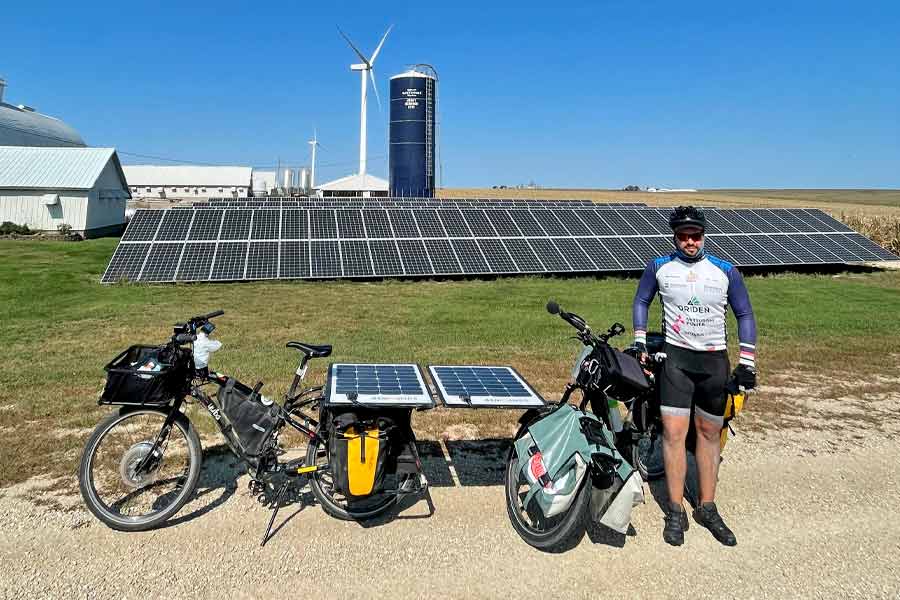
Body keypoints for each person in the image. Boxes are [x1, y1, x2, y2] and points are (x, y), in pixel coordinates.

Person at [632, 206, 757, 547]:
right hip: (676, 362)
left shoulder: (725, 271)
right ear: (675, 237)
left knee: (709, 433)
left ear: (704, 235)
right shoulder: (659, 268)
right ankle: (675, 509)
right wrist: (640, 340)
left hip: (714, 363)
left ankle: (708, 506)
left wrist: (748, 362)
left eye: (695, 235)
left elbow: (744, 314)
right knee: (674, 434)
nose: (690, 242)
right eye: (683, 236)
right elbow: (641, 300)